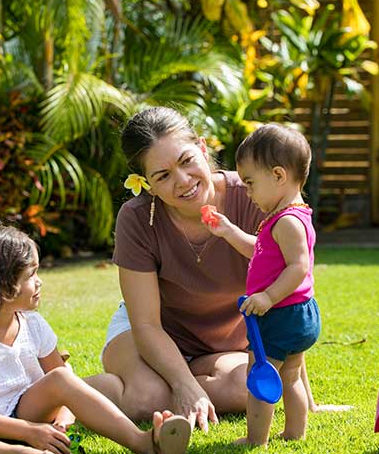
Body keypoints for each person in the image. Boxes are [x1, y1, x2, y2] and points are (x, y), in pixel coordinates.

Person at [84, 107, 347, 433]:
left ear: (204, 149)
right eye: (162, 176)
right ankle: (72, 392)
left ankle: (168, 382)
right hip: (152, 333)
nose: (183, 181)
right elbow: (147, 323)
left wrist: (307, 400)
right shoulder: (137, 218)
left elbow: (290, 295)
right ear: (148, 185)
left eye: (186, 161)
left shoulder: (256, 194)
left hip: (226, 340)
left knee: (245, 387)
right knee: (144, 398)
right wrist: (186, 386)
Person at [0, 225, 191, 454]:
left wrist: (62, 421)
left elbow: (63, 383)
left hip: (25, 412)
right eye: (31, 275)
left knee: (60, 377)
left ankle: (142, 443)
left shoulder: (33, 325)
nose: (40, 282)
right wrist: (30, 433)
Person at [207, 123, 322, 446]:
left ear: (278, 176)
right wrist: (229, 231)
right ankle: (295, 433)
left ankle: (255, 439)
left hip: (282, 313)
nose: (247, 191)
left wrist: (268, 297)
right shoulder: (290, 216)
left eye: (250, 183)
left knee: (259, 376)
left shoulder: (286, 222)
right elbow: (259, 250)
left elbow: (299, 266)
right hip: (299, 314)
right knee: (290, 375)